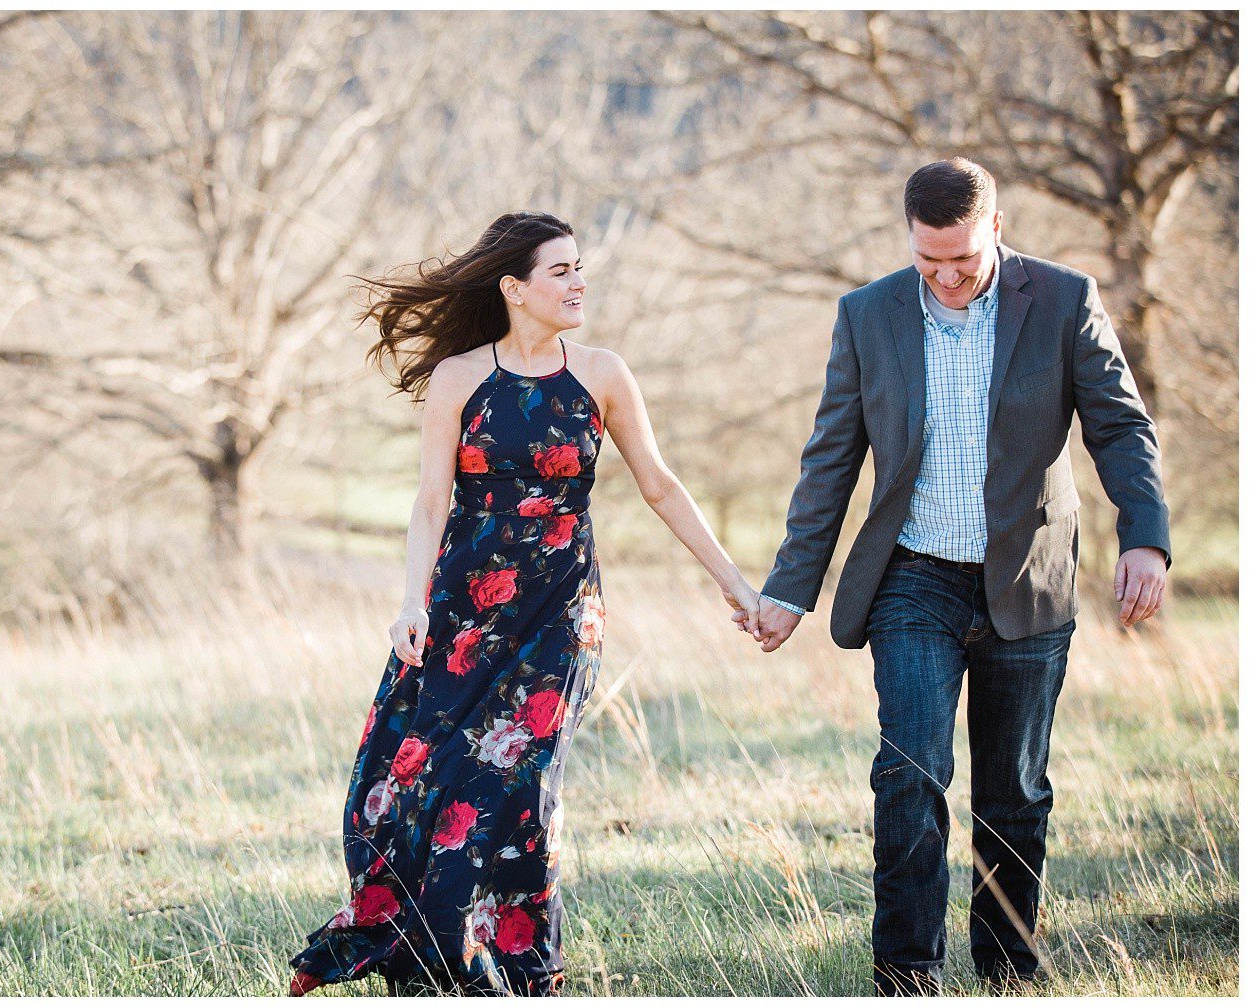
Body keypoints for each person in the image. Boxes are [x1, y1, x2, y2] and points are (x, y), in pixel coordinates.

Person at [289, 211, 762, 996]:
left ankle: (515, 967)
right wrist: (411, 602)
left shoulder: (603, 373)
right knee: (407, 775)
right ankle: (435, 951)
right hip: (461, 608)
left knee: (520, 783)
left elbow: (660, 485)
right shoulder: (460, 377)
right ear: (514, 287)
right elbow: (431, 502)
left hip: (561, 611)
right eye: (560, 271)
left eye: (581, 268)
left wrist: (734, 582)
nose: (578, 283)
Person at [750, 158, 1170, 995]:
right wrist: (790, 587)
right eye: (928, 260)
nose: (945, 277)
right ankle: (907, 972)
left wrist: (1145, 538)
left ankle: (1008, 967)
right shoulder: (867, 314)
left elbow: (1121, 429)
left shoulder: (1062, 301)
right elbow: (832, 456)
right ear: (910, 238)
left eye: (964, 261)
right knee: (910, 772)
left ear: (997, 231)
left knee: (1013, 791)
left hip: (1028, 576)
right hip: (914, 578)